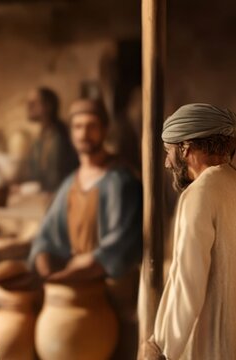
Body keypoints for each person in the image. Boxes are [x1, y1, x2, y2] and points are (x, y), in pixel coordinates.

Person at [28, 99, 142, 359]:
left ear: (104, 130)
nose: (84, 133)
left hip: (111, 291)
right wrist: (44, 257)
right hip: (74, 283)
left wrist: (88, 263)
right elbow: (47, 235)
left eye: (91, 126)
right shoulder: (71, 182)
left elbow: (122, 243)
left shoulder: (120, 180)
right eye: (78, 126)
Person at [142, 104, 236, 360]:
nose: (166, 162)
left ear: (186, 148)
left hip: (212, 345)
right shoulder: (231, 184)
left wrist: (161, 348)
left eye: (168, 151)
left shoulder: (199, 194)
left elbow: (187, 283)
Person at [20, 87, 79, 193]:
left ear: (48, 106)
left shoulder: (61, 136)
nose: (29, 106)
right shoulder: (41, 136)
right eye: (28, 102)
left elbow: (56, 178)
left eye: (34, 103)